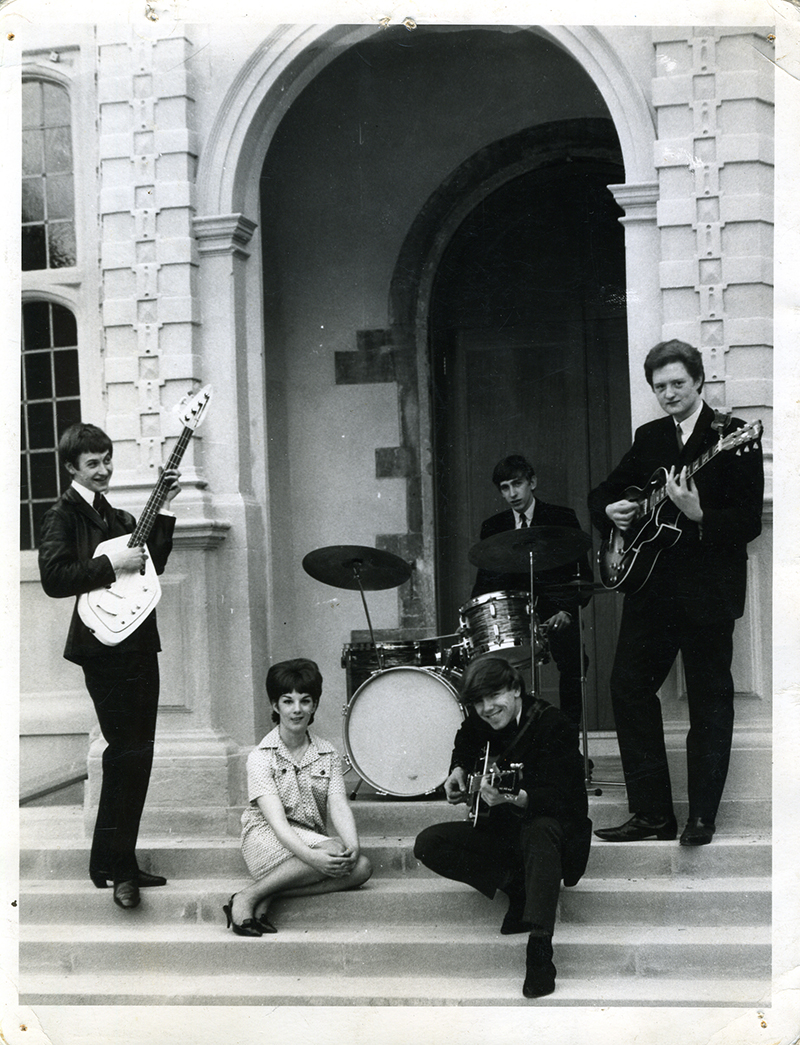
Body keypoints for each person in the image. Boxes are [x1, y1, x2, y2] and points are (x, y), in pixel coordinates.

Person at [588, 340, 764, 847]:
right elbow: (603, 493)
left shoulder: (733, 436)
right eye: (659, 386)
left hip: (708, 595)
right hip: (651, 593)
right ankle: (651, 816)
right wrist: (612, 513)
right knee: (627, 688)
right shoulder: (649, 437)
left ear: (699, 382)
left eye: (677, 384)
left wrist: (700, 515)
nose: (668, 393)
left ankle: (701, 818)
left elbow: (749, 520)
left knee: (710, 701)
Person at [38, 423, 181, 910]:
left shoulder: (117, 514)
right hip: (101, 644)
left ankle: (111, 859)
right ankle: (119, 867)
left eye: (107, 460)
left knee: (138, 750)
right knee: (124, 749)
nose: (103, 470)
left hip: (138, 641)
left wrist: (161, 507)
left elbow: (147, 563)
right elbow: (54, 578)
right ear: (71, 468)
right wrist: (110, 565)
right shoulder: (63, 515)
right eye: (93, 463)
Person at [414, 656, 591, 999]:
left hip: (551, 837)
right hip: (503, 836)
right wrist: (458, 769)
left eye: (493, 697)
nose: (486, 709)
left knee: (541, 829)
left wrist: (520, 798)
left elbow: (568, 803)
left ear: (516, 689)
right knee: (429, 843)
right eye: (478, 702)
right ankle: (517, 886)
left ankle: (540, 949)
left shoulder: (554, 725)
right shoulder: (483, 722)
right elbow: (466, 736)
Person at [229, 658, 372, 936]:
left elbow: (339, 805)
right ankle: (246, 898)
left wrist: (353, 845)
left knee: (362, 866)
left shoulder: (327, 753)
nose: (297, 710)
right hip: (265, 837)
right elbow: (278, 824)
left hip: (310, 841)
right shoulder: (260, 757)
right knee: (332, 851)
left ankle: (269, 893)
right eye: (287, 701)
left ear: (315, 705)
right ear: (275, 706)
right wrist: (313, 858)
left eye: (305, 701)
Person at [470, 454, 593, 728]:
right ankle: (518, 740)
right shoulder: (494, 527)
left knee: (575, 662)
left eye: (518, 483)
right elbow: (484, 581)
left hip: (556, 612)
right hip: (513, 616)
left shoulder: (561, 518)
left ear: (532, 482)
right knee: (497, 671)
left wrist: (566, 610)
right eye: (505, 487)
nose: (513, 493)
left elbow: (581, 576)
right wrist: (472, 622)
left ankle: (568, 741)